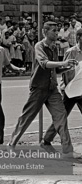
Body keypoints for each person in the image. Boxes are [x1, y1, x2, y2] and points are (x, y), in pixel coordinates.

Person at [8, 22, 81, 159]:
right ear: (45, 32)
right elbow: (44, 63)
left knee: (61, 116)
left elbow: (56, 69)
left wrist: (68, 67)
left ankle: (67, 150)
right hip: (39, 88)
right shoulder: (39, 46)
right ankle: (11, 144)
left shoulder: (54, 47)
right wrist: (62, 63)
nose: (57, 34)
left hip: (52, 88)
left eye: (57, 31)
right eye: (54, 31)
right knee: (27, 116)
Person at [41, 29, 82, 153]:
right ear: (79, 38)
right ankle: (46, 141)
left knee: (61, 117)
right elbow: (66, 71)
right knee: (61, 116)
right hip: (70, 90)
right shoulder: (71, 52)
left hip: (80, 90)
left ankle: (46, 140)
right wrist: (73, 88)